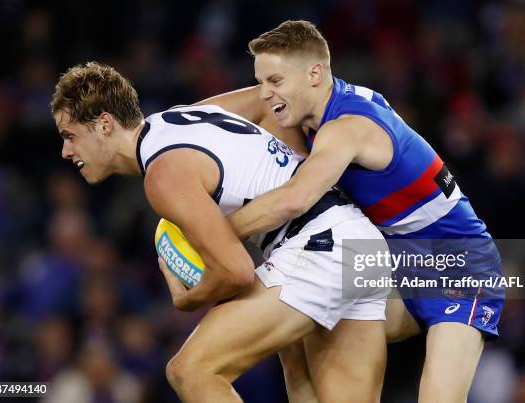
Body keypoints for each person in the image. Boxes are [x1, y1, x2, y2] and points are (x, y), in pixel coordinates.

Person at [50, 62, 388, 403]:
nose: (65, 151)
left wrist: (189, 299)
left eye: (70, 135)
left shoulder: (162, 174)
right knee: (303, 377)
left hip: (319, 248)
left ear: (105, 124)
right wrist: (294, 169)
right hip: (357, 238)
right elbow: (265, 99)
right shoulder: (182, 117)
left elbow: (236, 272)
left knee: (191, 370)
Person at [209, 20, 506, 403]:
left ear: (314, 74)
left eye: (275, 82)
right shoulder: (321, 102)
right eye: (261, 81)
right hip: (398, 260)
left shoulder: (346, 128)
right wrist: (160, 130)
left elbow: (294, 199)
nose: (264, 94)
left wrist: (212, 234)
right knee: (303, 316)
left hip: (461, 265)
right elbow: (210, 115)